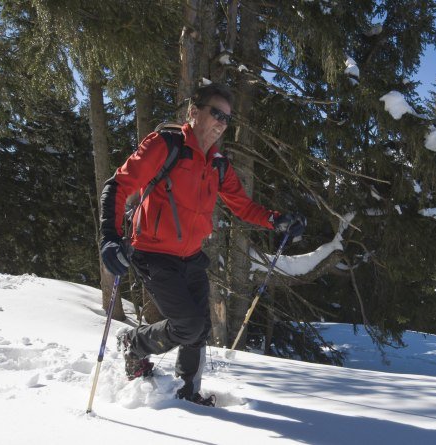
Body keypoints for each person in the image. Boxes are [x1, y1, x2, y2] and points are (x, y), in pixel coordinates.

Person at [98, 83, 305, 405]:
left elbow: (243, 206)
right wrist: (109, 238)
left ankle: (187, 392)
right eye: (216, 113)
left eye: (227, 118)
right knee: (189, 325)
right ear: (194, 112)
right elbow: (119, 185)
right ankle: (134, 344)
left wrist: (277, 220)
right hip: (152, 253)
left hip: (192, 255)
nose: (222, 122)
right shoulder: (165, 145)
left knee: (201, 328)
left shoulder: (217, 164)